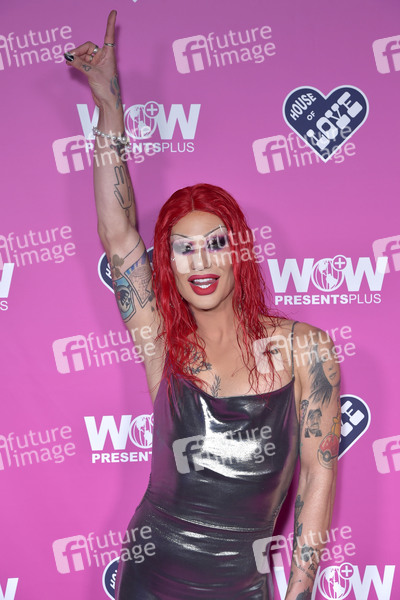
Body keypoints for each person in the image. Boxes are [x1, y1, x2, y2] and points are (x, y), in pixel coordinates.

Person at [64, 11, 340, 600]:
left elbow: (318, 476)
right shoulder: (161, 343)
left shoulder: (305, 349)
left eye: (215, 243)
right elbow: (118, 235)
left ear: (239, 252)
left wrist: (299, 593)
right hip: (150, 573)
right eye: (183, 249)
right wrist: (109, 104)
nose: (201, 261)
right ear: (169, 264)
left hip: (242, 584)